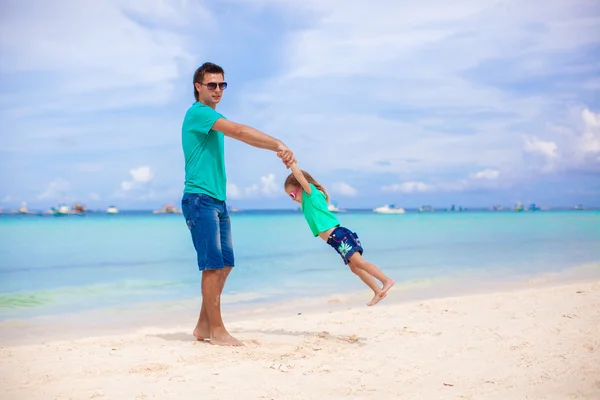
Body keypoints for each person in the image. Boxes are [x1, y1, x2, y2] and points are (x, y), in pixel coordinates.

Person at [181, 62, 295, 346]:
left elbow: (238, 131)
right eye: (212, 85)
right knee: (211, 265)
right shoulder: (199, 114)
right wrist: (277, 143)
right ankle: (217, 331)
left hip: (217, 200)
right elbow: (241, 132)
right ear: (198, 87)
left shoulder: (212, 118)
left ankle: (203, 325)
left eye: (222, 85)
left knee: (225, 264)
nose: (218, 90)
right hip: (200, 199)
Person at [283, 162, 395, 306]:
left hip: (339, 235)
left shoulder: (311, 193)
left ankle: (386, 280)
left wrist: (291, 163)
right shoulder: (307, 202)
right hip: (335, 240)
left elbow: (298, 175)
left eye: (292, 194)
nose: (292, 199)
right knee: (355, 268)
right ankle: (377, 291)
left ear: (301, 186)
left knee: (360, 263)